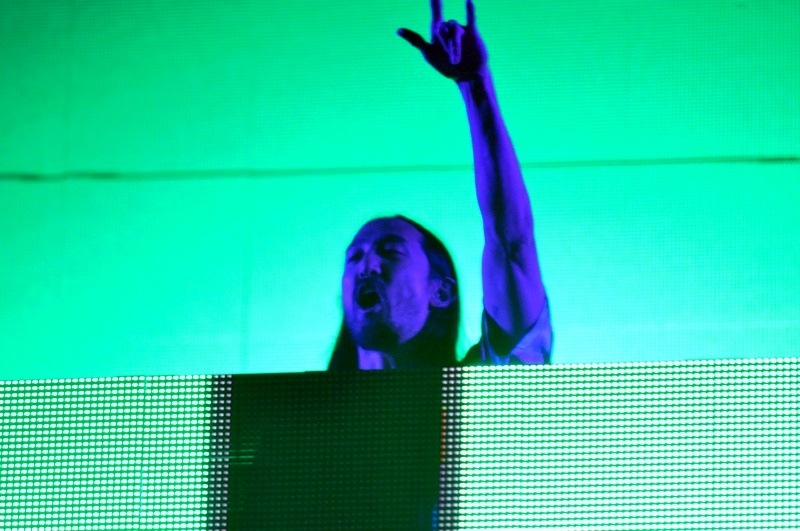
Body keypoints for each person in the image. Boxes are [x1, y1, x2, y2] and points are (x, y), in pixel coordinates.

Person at [328, 0, 551, 370]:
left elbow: (511, 244)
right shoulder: (298, 404)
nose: (367, 265)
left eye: (391, 251)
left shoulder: (481, 389)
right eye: (354, 257)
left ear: (441, 292)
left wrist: (474, 85)